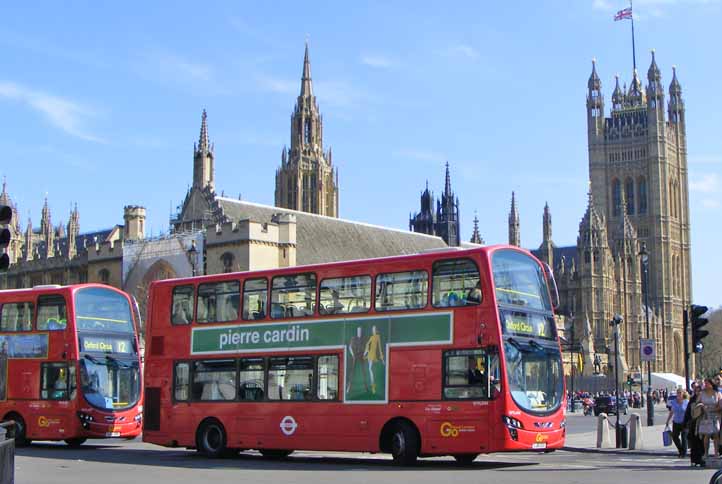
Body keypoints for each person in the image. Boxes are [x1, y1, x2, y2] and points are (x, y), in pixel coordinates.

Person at [698, 378, 721, 459]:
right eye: (705, 383)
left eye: (707, 383)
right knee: (706, 435)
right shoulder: (702, 393)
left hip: (715, 415)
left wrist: (713, 409)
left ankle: (716, 453)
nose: (706, 385)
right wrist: (702, 406)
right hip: (705, 415)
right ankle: (706, 453)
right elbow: (698, 402)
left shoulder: (717, 393)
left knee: (715, 435)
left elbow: (720, 405)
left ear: (711, 384)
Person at [685, 383, 706, 467]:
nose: (697, 392)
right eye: (696, 391)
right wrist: (685, 422)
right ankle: (694, 459)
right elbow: (688, 411)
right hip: (693, 423)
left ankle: (701, 458)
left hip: (702, 423)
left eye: (699, 391)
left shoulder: (704, 399)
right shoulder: (693, 399)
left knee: (702, 441)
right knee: (694, 442)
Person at [666, 387, 689, 457]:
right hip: (676, 421)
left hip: (684, 422)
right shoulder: (674, 402)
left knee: (684, 436)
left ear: (683, 394)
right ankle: (681, 450)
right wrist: (668, 420)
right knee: (675, 436)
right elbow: (672, 412)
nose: (678, 395)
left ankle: (683, 453)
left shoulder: (686, 402)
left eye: (680, 393)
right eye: (677, 393)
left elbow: (689, 412)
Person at [346, 327, 368, 395]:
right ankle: (348, 387)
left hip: (361, 355)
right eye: (358, 331)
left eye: (360, 331)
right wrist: (353, 354)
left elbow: (367, 347)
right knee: (352, 371)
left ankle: (366, 387)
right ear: (357, 331)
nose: (359, 332)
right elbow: (350, 347)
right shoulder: (354, 338)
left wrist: (364, 353)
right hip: (355, 355)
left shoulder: (364, 339)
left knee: (364, 371)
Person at [364, 325, 385, 395]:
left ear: (376, 330)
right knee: (370, 369)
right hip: (369, 354)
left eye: (374, 329)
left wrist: (382, 358)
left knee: (370, 369)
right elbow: (367, 344)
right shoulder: (371, 337)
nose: (373, 331)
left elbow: (379, 347)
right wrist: (366, 351)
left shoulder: (377, 337)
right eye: (372, 329)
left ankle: (373, 386)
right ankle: (373, 386)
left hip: (373, 354)